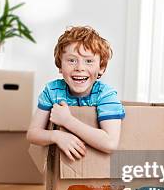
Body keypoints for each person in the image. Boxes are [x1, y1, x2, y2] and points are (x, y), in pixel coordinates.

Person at [26, 26, 125, 160]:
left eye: (89, 61)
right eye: (72, 60)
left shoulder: (106, 95)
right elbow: (32, 134)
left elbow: (110, 143)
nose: (79, 68)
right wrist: (56, 136)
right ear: (60, 66)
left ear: (101, 68)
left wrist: (67, 120)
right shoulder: (52, 91)